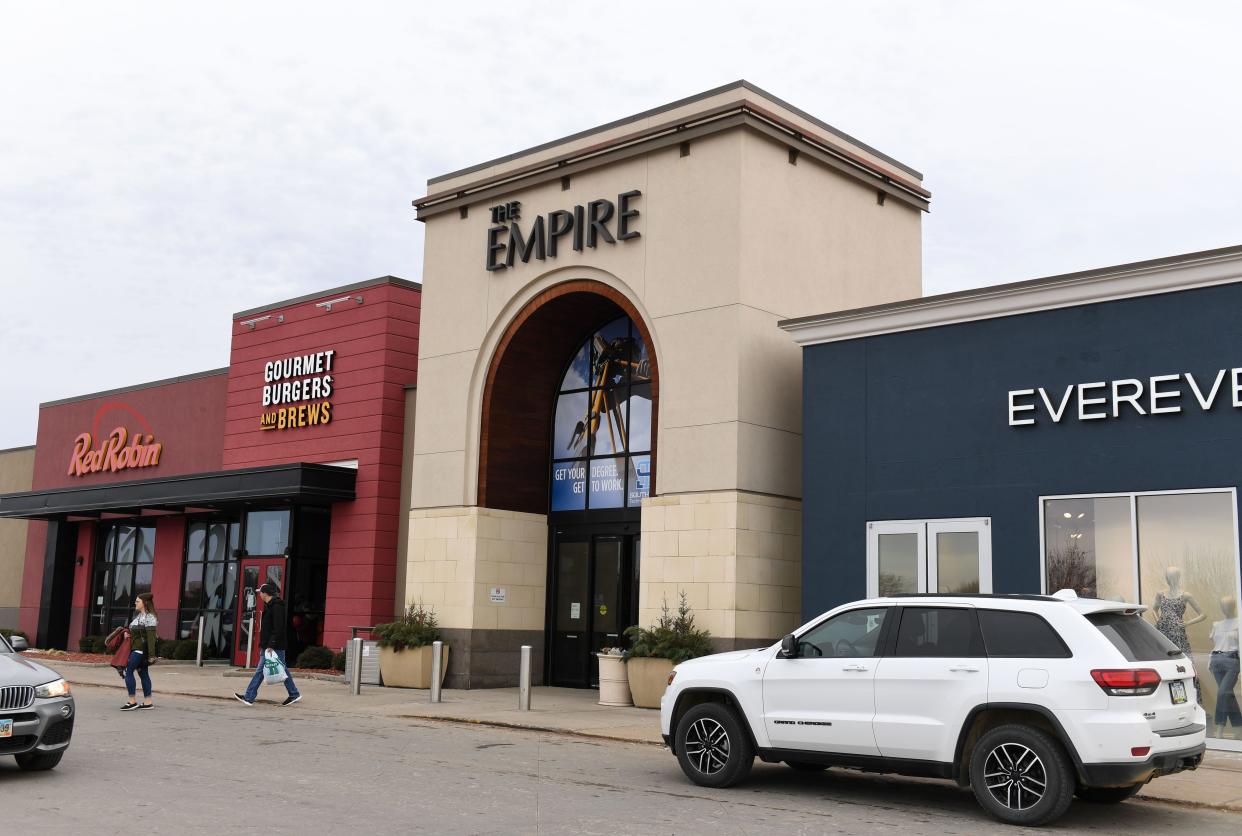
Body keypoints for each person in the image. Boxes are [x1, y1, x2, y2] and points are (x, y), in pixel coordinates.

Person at [235, 583, 302, 706]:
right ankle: (293, 694)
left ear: (265, 593)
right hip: (269, 645)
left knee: (264, 670)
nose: (259, 594)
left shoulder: (277, 607)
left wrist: (271, 644)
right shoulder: (271, 606)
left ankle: (249, 696)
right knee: (278, 669)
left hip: (274, 646)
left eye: (260, 592)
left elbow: (278, 628)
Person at [121, 593, 158, 711]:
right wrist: (128, 634)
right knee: (143, 674)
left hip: (140, 651)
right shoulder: (139, 616)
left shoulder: (150, 617)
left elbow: (151, 638)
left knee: (128, 671)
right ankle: (148, 702)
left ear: (145, 603)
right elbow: (136, 633)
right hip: (137, 649)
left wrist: (152, 656)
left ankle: (132, 701)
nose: (135, 603)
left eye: (138, 601)